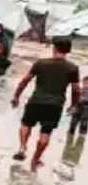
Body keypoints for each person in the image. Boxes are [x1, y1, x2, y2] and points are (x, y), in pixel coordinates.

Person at [11, 37, 81, 169]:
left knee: (26, 124)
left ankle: (22, 147)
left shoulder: (41, 63)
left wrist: (16, 96)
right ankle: (35, 160)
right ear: (68, 51)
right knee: (46, 132)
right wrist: (73, 105)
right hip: (55, 105)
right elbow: (76, 89)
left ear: (54, 48)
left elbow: (25, 80)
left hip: (36, 101)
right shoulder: (72, 68)